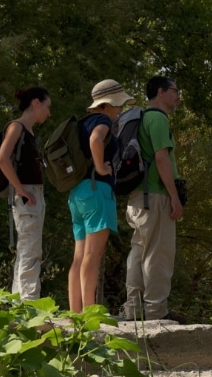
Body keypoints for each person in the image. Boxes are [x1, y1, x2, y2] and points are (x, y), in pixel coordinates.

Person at [68, 79, 133, 314]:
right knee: (93, 255)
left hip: (78, 193)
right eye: (118, 105)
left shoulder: (82, 123)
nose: (120, 110)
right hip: (97, 190)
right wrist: (102, 167)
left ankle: (75, 312)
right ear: (107, 104)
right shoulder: (103, 121)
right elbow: (96, 140)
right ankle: (90, 312)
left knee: (79, 257)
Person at [122, 76, 183, 321]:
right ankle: (157, 312)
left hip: (138, 198)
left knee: (138, 252)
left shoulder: (143, 118)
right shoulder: (157, 118)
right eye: (175, 90)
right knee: (159, 254)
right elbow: (161, 159)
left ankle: (133, 310)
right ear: (161, 92)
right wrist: (174, 196)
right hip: (156, 195)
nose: (178, 96)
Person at [0, 86, 51, 300]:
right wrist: (20, 189)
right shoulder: (17, 127)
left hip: (31, 194)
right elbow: (2, 158)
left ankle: (19, 302)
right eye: (47, 107)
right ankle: (29, 304)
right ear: (35, 103)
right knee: (30, 251)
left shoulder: (28, 132)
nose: (49, 113)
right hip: (26, 195)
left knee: (26, 250)